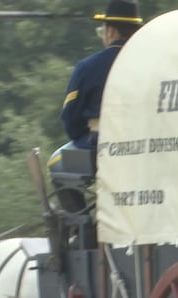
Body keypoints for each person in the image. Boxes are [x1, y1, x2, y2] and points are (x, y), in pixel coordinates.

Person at [48, 0, 143, 213]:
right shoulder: (150, 62)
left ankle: (81, 230)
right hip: (146, 146)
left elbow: (70, 119)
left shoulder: (88, 66)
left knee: (56, 163)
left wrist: (84, 137)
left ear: (110, 31)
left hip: (100, 150)